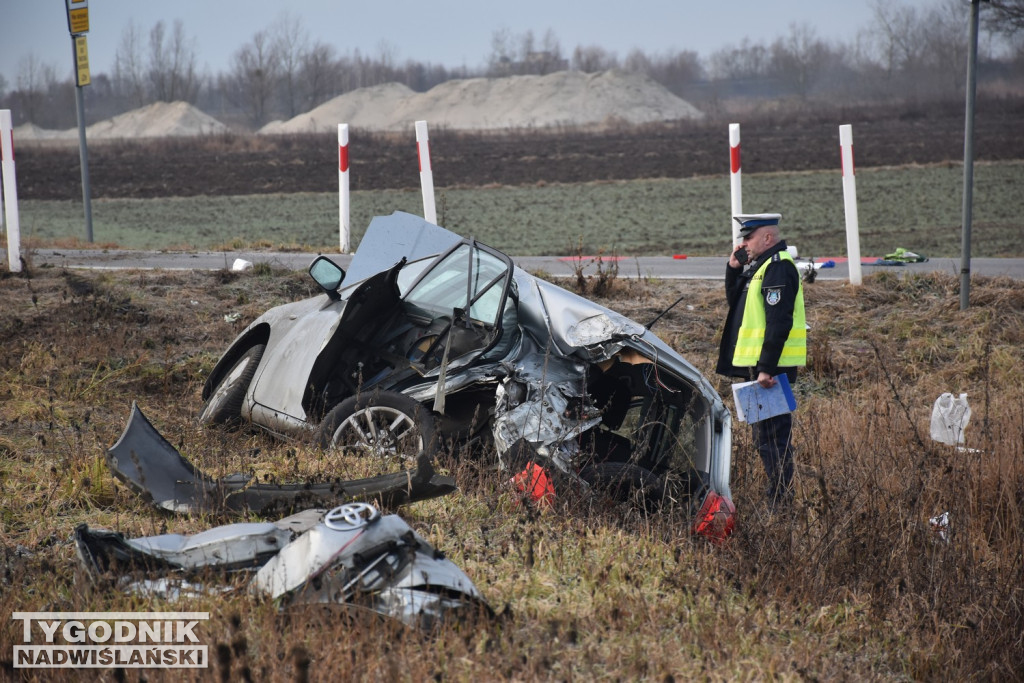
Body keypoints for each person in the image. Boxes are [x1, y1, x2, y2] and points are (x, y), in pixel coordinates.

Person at [716, 213, 806, 507]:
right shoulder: (761, 267)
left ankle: (781, 500)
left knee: (774, 439)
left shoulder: (778, 269)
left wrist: (767, 367)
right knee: (764, 438)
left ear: (767, 237)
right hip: (759, 370)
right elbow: (737, 305)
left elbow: (778, 321)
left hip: (770, 372)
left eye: (748, 238)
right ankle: (777, 494)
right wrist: (733, 268)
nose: (743, 244)